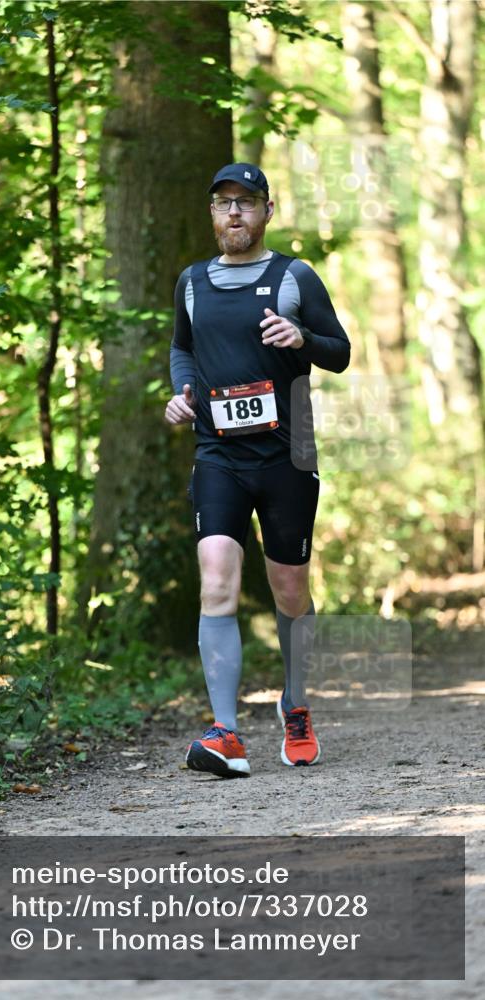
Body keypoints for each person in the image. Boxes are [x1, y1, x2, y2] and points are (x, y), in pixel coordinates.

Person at [165, 162, 350, 778]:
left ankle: (295, 705)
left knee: (289, 588)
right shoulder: (192, 282)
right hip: (218, 451)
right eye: (224, 203)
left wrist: (301, 338)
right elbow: (182, 348)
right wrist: (184, 393)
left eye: (247, 202)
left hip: (287, 455)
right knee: (216, 577)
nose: (235, 212)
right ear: (213, 214)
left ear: (268, 211)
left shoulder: (293, 276)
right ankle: (226, 733)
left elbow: (340, 352)